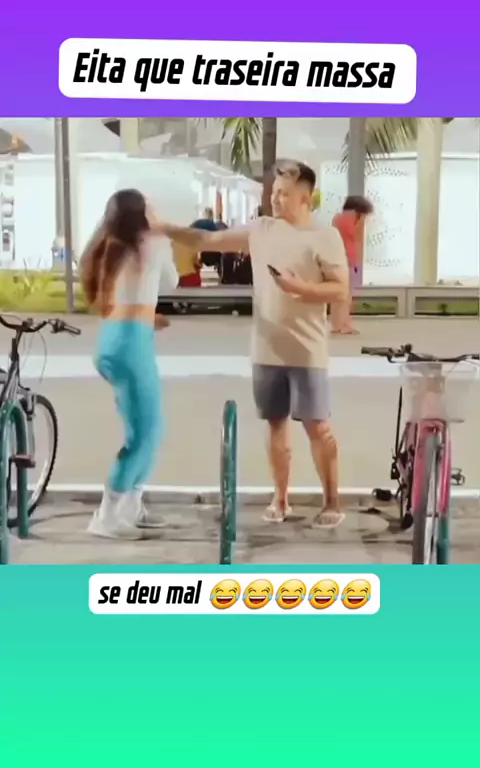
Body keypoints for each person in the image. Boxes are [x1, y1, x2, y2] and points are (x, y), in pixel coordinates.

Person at [154, 161, 349, 527]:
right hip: (266, 348)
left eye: (284, 194)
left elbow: (340, 289)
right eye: (274, 192)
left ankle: (332, 502)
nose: (275, 199)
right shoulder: (261, 229)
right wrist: (164, 227)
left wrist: (302, 288)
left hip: (307, 350)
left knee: (318, 427)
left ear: (305, 198)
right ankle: (280, 499)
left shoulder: (325, 236)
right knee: (275, 425)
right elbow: (208, 240)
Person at [80, 187, 178, 540]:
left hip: (115, 339)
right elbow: (172, 281)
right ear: (142, 214)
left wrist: (151, 317)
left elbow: (129, 297)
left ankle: (131, 507)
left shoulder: (106, 244)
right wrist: (164, 232)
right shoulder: (152, 242)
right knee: (146, 433)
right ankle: (107, 516)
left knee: (147, 429)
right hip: (132, 345)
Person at [330, 195, 373, 335]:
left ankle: (336, 325)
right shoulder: (357, 219)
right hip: (350, 258)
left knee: (337, 296)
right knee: (347, 296)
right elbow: (356, 238)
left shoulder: (337, 218)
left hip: (336, 258)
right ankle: (345, 325)